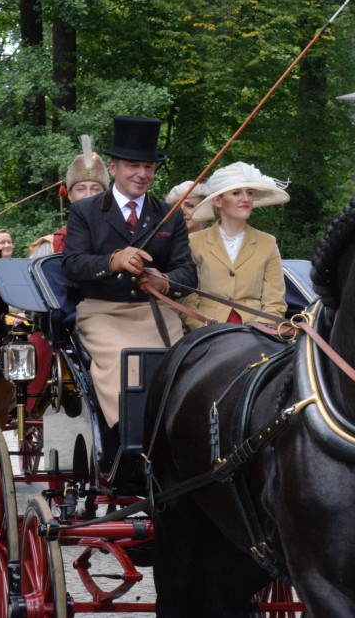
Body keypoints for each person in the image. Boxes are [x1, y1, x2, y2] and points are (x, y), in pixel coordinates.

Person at [62, 115, 196, 429]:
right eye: (133, 166)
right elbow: (72, 265)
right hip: (103, 313)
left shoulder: (169, 215)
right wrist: (113, 261)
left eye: (148, 168)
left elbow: (187, 273)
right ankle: (128, 443)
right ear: (114, 168)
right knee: (129, 362)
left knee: (180, 366)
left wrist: (163, 281)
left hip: (157, 312)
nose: (141, 174)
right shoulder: (85, 211)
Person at [181, 161, 289, 330]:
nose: (245, 199)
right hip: (206, 333)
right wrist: (203, 329)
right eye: (236, 193)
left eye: (250, 192)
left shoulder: (268, 243)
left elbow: (275, 303)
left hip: (256, 334)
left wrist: (260, 332)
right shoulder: (194, 242)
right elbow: (188, 301)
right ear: (218, 200)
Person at [29, 135, 111, 258]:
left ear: (106, 196)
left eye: (95, 189)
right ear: (70, 195)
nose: (88, 195)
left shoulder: (119, 238)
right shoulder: (50, 246)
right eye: (81, 189)